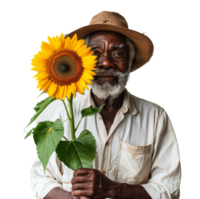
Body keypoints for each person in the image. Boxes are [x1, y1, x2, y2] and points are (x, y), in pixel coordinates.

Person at [28, 10, 182, 199]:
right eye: (95, 53)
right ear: (82, 62)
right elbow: (40, 178)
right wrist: (69, 198)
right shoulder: (62, 112)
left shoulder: (156, 117)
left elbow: (169, 187)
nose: (106, 62)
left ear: (130, 61)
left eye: (117, 53)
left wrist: (114, 190)